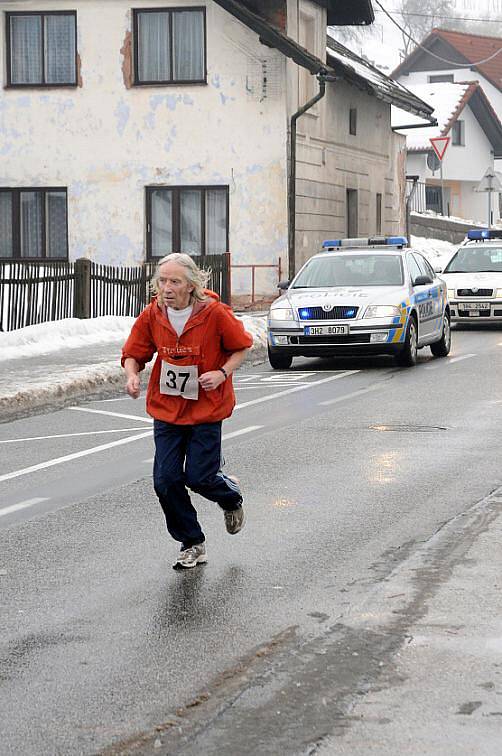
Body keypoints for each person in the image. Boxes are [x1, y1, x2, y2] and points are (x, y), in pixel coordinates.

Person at [122, 253, 252, 569]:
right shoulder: (153, 315)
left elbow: (241, 346)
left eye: (174, 281)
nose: (167, 287)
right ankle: (192, 542)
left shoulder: (215, 313)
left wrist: (222, 373)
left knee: (199, 477)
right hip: (167, 410)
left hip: (206, 409)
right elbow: (134, 352)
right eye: (162, 281)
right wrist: (132, 374)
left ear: (191, 285)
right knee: (165, 480)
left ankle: (230, 496)